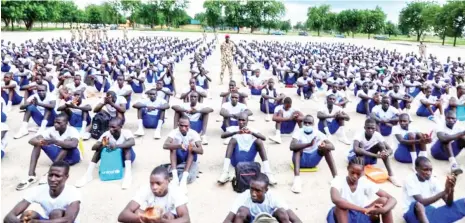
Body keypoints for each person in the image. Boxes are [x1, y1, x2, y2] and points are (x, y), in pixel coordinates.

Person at [16, 113, 81, 191]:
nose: (56, 125)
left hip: (73, 157)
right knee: (38, 144)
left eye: (59, 123)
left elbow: (74, 144)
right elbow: (31, 140)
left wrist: (55, 141)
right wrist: (40, 142)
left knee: (67, 144)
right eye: (55, 122)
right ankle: (31, 175)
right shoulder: (51, 130)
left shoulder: (72, 130)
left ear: (66, 123)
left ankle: (49, 173)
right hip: (59, 158)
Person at [4, 161, 81, 223]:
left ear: (66, 177)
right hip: (48, 221)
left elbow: (69, 220)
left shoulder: (73, 192)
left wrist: (37, 222)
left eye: (57, 176)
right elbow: (9, 217)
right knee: (27, 215)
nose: (52, 179)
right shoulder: (39, 190)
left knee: (56, 213)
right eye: (50, 175)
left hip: (61, 220)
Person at [327, 157, 397, 223]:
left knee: (384, 201)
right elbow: (336, 200)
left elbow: (392, 199)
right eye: (352, 172)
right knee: (341, 205)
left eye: (358, 174)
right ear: (348, 168)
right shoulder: (338, 181)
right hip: (343, 216)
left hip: (361, 214)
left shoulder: (364, 182)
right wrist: (364, 210)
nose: (355, 176)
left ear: (363, 173)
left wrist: (383, 209)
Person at [75, 117, 136, 189]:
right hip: (115, 161)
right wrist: (101, 144)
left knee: (127, 147)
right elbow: (93, 148)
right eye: (109, 127)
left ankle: (128, 176)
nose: (111, 129)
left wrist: (117, 146)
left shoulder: (126, 132)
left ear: (120, 127)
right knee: (100, 149)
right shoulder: (107, 134)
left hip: (127, 158)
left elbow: (132, 142)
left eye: (113, 127)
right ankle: (88, 175)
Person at [218, 112, 277, 185]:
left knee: (259, 141)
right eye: (239, 120)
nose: (241, 122)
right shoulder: (233, 128)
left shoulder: (251, 129)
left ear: (247, 121)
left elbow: (263, 138)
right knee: (232, 140)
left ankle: (268, 172)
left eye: (243, 120)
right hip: (236, 160)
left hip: (249, 159)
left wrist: (251, 133)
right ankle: (225, 172)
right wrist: (237, 132)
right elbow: (223, 136)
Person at [117, 166, 190, 223]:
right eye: (151, 183)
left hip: (167, 220)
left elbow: (186, 219)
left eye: (158, 183)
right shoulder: (145, 189)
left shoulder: (176, 191)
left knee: (169, 216)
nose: (154, 187)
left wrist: (162, 221)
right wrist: (146, 219)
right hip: (151, 219)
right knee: (137, 211)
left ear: (168, 181)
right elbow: (122, 215)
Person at [403, 157, 465, 223]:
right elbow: (422, 202)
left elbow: (449, 203)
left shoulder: (433, 180)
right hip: (412, 214)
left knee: (463, 202)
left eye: (430, 170)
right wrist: (444, 192)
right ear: (416, 169)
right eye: (425, 170)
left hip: (430, 212)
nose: (429, 173)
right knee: (418, 205)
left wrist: (451, 189)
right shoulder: (410, 180)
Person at [223, 173, 302, 223]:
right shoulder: (244, 196)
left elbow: (295, 219)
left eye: (258, 190)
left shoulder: (273, 197)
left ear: (266, 190)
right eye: (251, 189)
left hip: (270, 221)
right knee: (241, 211)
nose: (253, 193)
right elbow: (228, 219)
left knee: (282, 212)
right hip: (252, 221)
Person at [290, 115, 338, 193]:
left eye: (309, 123)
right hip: (300, 160)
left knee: (327, 149)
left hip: (313, 159)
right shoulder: (298, 132)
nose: (307, 125)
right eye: (305, 123)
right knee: (297, 149)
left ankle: (336, 178)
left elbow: (332, 146)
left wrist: (324, 146)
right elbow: (291, 146)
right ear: (302, 123)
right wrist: (309, 144)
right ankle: (297, 180)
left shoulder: (318, 133)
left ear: (313, 124)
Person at [347, 119, 400, 187]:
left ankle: (391, 175)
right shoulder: (359, 134)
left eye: (373, 128)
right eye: (368, 128)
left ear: (375, 128)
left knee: (381, 145)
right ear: (364, 128)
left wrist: (386, 153)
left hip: (368, 157)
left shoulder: (377, 135)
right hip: (355, 158)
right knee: (361, 146)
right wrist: (376, 155)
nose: (370, 130)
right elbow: (356, 149)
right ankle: (362, 175)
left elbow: (390, 149)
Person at [162, 116, 204, 194]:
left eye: (186, 126)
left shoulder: (193, 133)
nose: (183, 128)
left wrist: (190, 147)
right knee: (173, 144)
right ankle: (175, 177)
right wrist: (179, 145)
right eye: (181, 125)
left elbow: (201, 151)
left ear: (189, 126)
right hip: (178, 158)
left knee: (192, 146)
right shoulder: (174, 132)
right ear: (178, 124)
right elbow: (165, 145)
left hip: (190, 158)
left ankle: (184, 179)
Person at [431, 110, 464, 175]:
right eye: (448, 118)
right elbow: (443, 139)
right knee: (446, 138)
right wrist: (462, 133)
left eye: (453, 118)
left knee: (462, 138)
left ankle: (453, 161)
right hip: (437, 152)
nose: (450, 120)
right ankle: (453, 165)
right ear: (445, 118)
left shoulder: (459, 127)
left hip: (451, 153)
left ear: (456, 119)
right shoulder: (439, 126)